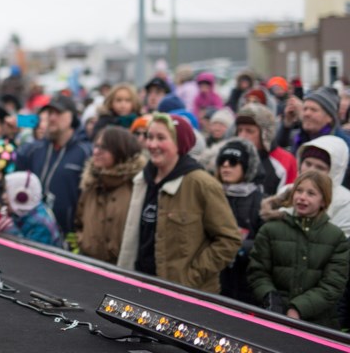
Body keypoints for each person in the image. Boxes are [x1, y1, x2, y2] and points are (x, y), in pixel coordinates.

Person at [117, 113, 241, 292]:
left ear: (179, 144)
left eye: (161, 138)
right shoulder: (142, 180)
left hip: (187, 298)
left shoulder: (201, 184)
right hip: (140, 288)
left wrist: (190, 278)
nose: (152, 144)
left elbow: (229, 240)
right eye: (150, 137)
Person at [248, 170, 350, 328]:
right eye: (299, 190)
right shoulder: (270, 230)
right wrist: (270, 297)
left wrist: (298, 308)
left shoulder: (336, 238)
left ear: (324, 201)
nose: (302, 197)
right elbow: (257, 271)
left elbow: (333, 285)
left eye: (311, 193)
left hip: (318, 324)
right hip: (272, 317)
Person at [14, 94, 91, 236]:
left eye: (58, 113)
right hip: (32, 233)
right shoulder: (33, 149)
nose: (52, 117)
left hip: (68, 239)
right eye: (50, 113)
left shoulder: (85, 152)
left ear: (72, 117)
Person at [74, 127, 146, 264]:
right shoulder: (91, 185)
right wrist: (82, 241)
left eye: (104, 148)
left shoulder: (137, 186)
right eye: (96, 146)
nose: (96, 152)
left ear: (121, 150)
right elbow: (79, 222)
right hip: (88, 266)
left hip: (122, 272)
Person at [214, 140, 263, 305]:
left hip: (245, 280)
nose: (226, 165)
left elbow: (264, 242)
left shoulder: (260, 199)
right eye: (222, 161)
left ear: (246, 167)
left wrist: (240, 247)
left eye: (233, 162)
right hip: (215, 274)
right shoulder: (211, 193)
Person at [0, 170, 63, 247]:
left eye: (7, 191)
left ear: (21, 196)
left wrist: (8, 227)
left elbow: (27, 254)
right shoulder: (21, 213)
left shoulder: (41, 224)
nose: (3, 196)